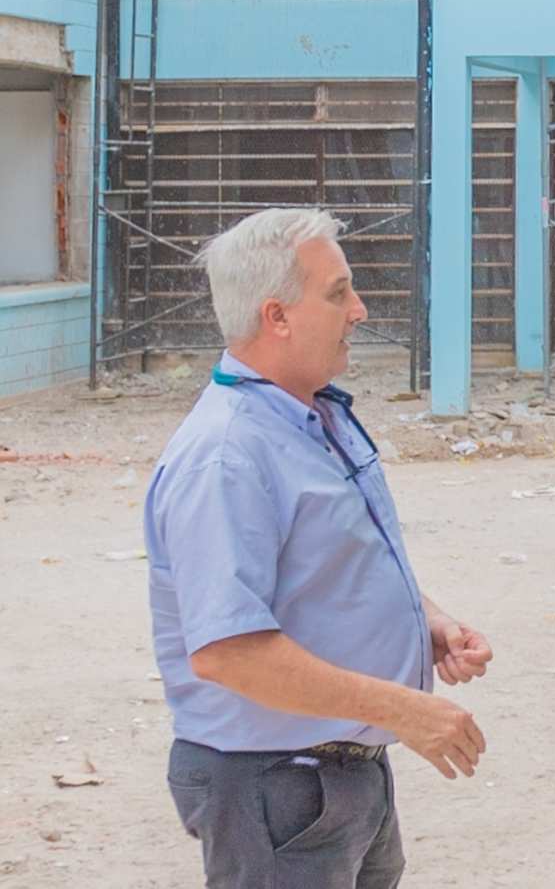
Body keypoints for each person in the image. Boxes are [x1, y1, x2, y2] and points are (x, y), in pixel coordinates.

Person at [145, 208, 493, 887]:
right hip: (276, 786)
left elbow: (337, 561)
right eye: (338, 292)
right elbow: (228, 650)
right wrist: (402, 708)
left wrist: (429, 622)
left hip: (340, 773)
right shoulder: (227, 455)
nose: (358, 310)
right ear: (276, 316)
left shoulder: (314, 415)